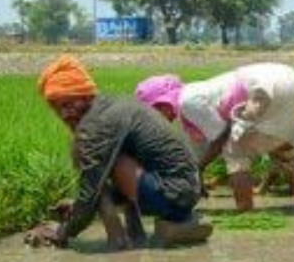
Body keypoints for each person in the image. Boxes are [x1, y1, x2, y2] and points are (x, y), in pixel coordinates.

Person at [24, 55, 213, 250]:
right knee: (102, 165)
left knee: (96, 168)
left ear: (85, 95)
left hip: (173, 196)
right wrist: (79, 205)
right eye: (57, 109)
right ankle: (137, 235)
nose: (64, 114)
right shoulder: (111, 107)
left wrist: (63, 231)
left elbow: (91, 189)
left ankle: (119, 241)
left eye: (67, 104)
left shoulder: (98, 124)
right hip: (185, 192)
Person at [134, 62, 294, 212]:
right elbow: (204, 143)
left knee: (235, 152)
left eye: (153, 113)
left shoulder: (187, 102)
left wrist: (199, 169)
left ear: (161, 104)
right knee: (285, 150)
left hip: (262, 88)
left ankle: (246, 213)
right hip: (291, 79)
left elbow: (220, 137)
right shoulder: (197, 92)